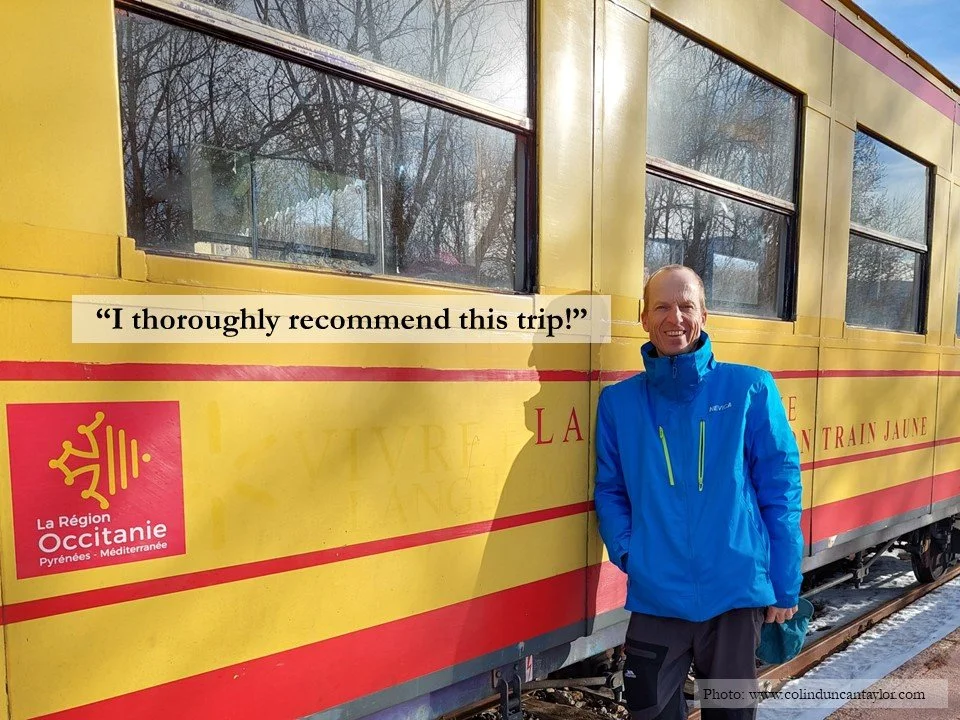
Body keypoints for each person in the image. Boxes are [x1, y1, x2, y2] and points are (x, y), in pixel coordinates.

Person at [593, 265, 803, 720]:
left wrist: (784, 585)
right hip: (656, 597)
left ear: (704, 314)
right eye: (663, 306)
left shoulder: (750, 387)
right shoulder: (618, 403)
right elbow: (610, 491)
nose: (676, 318)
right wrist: (633, 555)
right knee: (648, 712)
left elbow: (781, 490)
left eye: (687, 306)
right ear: (644, 316)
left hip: (734, 596)